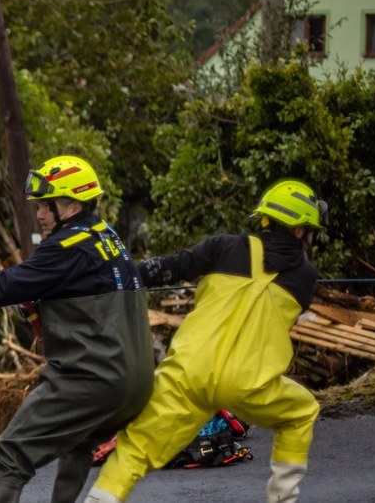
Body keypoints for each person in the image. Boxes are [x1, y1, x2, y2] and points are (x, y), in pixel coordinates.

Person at [0, 155, 153, 503]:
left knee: (8, 459)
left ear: (70, 204)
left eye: (45, 205)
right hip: (136, 381)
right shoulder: (106, 236)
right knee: (79, 444)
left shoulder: (66, 247)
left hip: (92, 378)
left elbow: (4, 286)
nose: (39, 213)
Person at [84, 179, 327, 503]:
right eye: (310, 232)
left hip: (188, 372)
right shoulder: (306, 279)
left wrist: (101, 280)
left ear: (266, 218)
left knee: (135, 448)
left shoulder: (224, 247)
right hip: (250, 383)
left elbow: (167, 268)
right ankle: (283, 498)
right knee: (301, 412)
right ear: (300, 231)